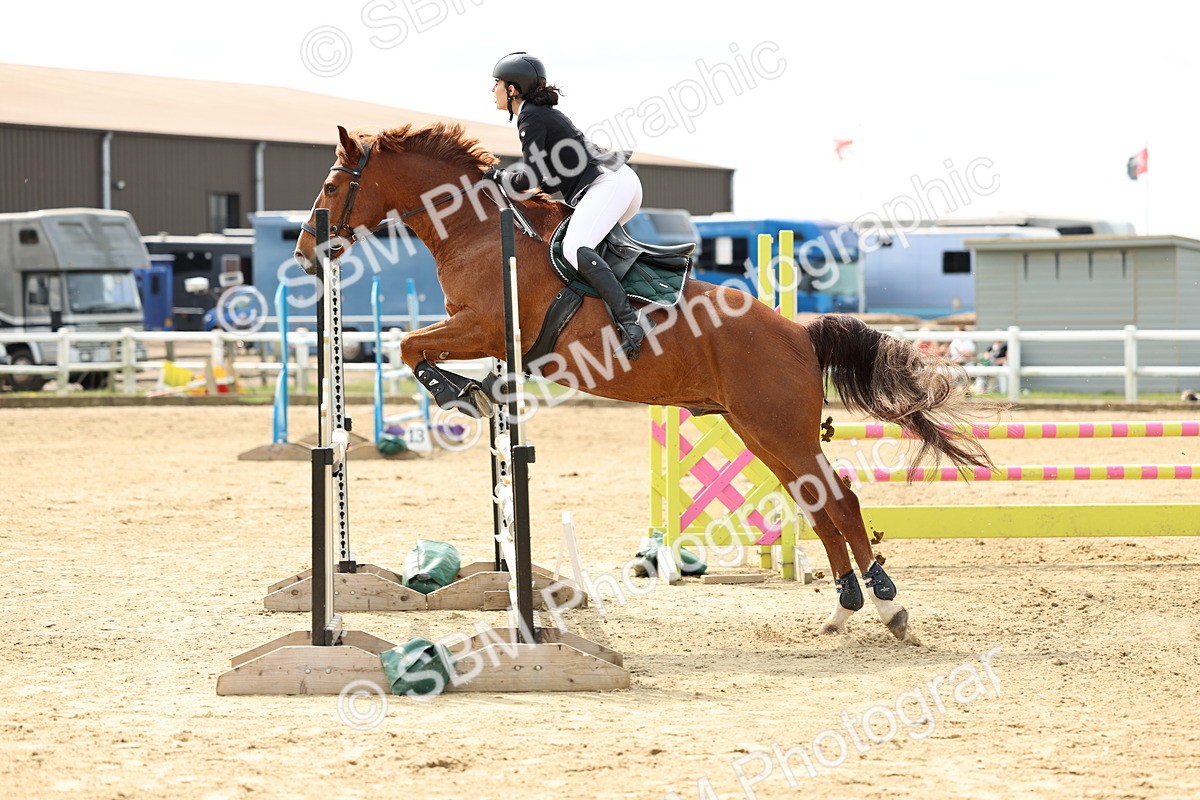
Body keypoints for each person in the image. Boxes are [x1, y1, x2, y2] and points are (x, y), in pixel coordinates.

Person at [485, 52, 650, 360]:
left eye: (497, 84)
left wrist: (500, 175)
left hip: (608, 184)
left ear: (512, 90)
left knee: (576, 248)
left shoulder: (530, 115)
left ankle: (631, 322)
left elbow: (529, 176)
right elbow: (547, 178)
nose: (492, 90)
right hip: (616, 183)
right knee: (587, 253)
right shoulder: (538, 114)